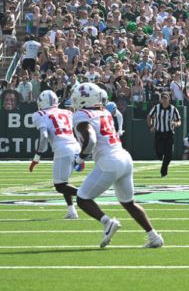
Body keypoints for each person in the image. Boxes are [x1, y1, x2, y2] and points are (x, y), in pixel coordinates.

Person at [71, 82, 163, 248]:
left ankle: (107, 222)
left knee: (83, 198)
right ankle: (154, 236)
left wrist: (80, 158)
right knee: (129, 203)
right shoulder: (104, 111)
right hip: (124, 157)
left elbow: (90, 141)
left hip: (110, 162)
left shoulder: (81, 115)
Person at [29, 89, 81, 219]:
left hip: (63, 149)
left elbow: (44, 136)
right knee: (65, 182)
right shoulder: (67, 112)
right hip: (75, 146)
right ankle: (71, 211)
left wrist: (37, 156)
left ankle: (85, 194)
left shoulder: (39, 114)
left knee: (60, 186)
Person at [147, 91, 182, 177]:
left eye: (166, 98)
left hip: (169, 133)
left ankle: (164, 172)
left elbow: (179, 120)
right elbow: (149, 116)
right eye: (163, 98)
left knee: (169, 155)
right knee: (159, 152)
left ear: (169, 99)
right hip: (159, 132)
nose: (164, 100)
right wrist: (151, 126)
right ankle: (160, 157)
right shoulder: (156, 107)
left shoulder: (173, 109)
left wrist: (176, 124)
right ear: (161, 99)